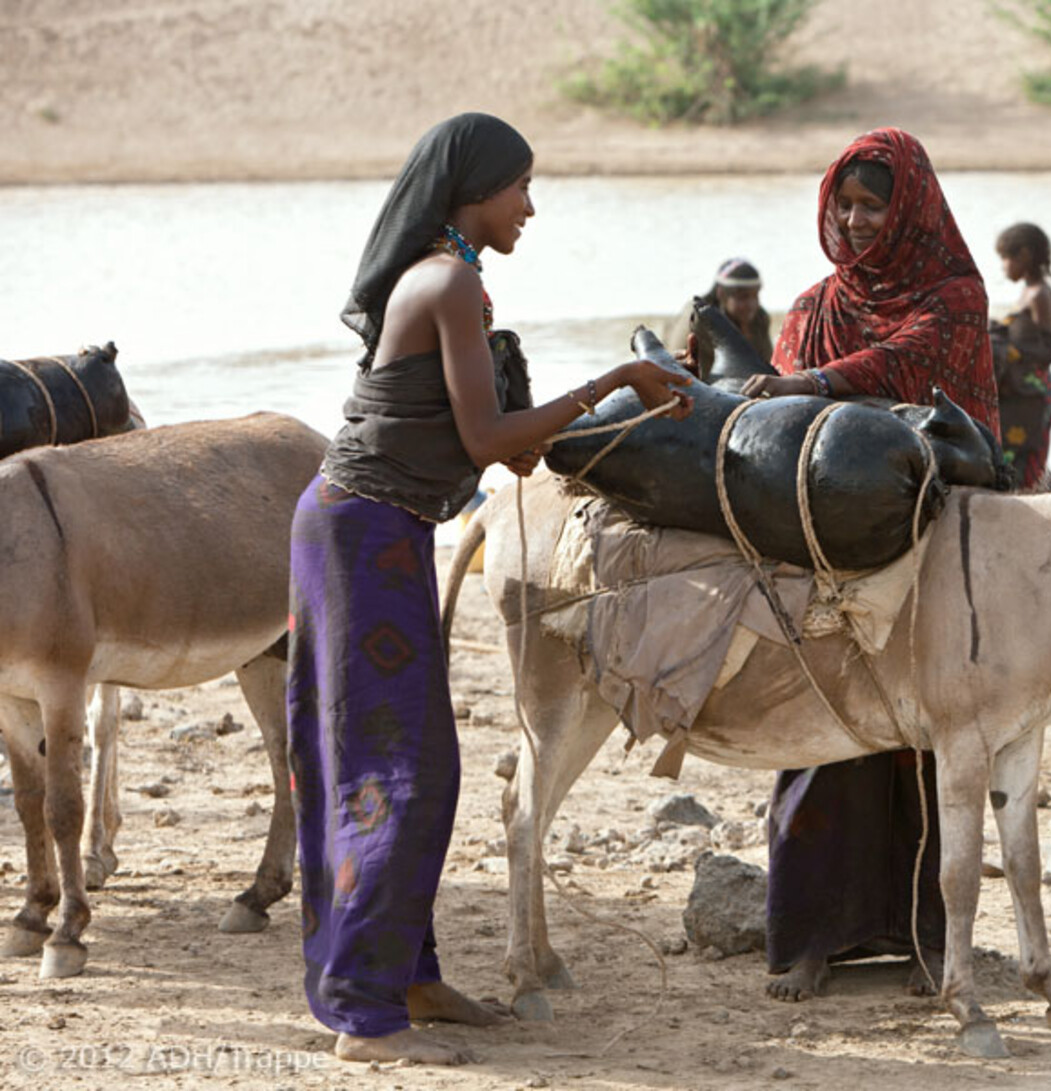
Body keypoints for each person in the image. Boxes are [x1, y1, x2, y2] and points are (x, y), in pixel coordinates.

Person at [286, 112, 691, 1067]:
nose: (531, 207)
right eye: (521, 188)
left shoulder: (443, 277)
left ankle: (408, 977)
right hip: (362, 531)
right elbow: (487, 444)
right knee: (398, 768)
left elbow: (504, 441)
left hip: (373, 526)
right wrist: (621, 377)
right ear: (474, 189)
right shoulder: (453, 280)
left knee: (412, 758)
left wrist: (569, 420)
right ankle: (365, 1018)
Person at [741, 127, 998, 1004]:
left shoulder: (956, 298)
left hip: (928, 558)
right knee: (820, 738)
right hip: (823, 559)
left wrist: (814, 387)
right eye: (843, 203)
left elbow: (912, 366)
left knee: (921, 744)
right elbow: (778, 443)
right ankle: (807, 940)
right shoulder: (812, 308)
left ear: (910, 209)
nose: (853, 220)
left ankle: (925, 940)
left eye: (872, 205)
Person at [990, 222, 1051, 489]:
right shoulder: (1027, 291)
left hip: (1035, 393)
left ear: (1025, 256)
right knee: (1008, 458)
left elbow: (1049, 350)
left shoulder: (1041, 294)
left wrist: (1011, 351)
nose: (1004, 266)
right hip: (1021, 393)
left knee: (1024, 465)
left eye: (1006, 258)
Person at [666, 257, 774, 365]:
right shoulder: (696, 318)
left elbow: (767, 366)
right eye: (743, 297)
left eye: (755, 296)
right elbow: (676, 366)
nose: (752, 304)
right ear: (721, 294)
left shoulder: (759, 319)